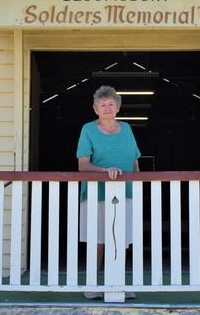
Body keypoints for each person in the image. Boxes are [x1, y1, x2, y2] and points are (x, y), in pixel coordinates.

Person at [76, 85, 140, 300]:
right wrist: (106, 171)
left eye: (111, 104)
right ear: (95, 109)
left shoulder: (127, 128)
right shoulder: (88, 129)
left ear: (118, 108)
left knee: (121, 239)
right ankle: (93, 285)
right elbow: (83, 165)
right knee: (99, 238)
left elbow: (134, 161)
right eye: (102, 105)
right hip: (97, 193)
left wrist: (138, 187)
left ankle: (117, 283)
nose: (107, 108)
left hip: (126, 193)